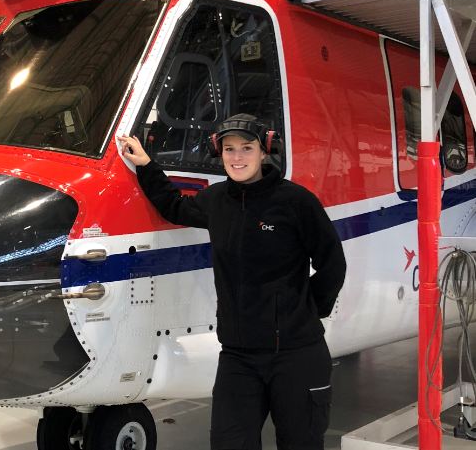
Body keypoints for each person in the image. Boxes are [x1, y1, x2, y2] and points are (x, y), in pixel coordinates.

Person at [118, 113, 346, 450]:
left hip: (297, 355)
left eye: (246, 148)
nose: (237, 158)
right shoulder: (216, 201)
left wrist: (308, 310)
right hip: (239, 357)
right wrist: (147, 166)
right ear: (219, 153)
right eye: (229, 150)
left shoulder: (296, 202)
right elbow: (174, 207)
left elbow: (332, 262)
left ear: (264, 151)